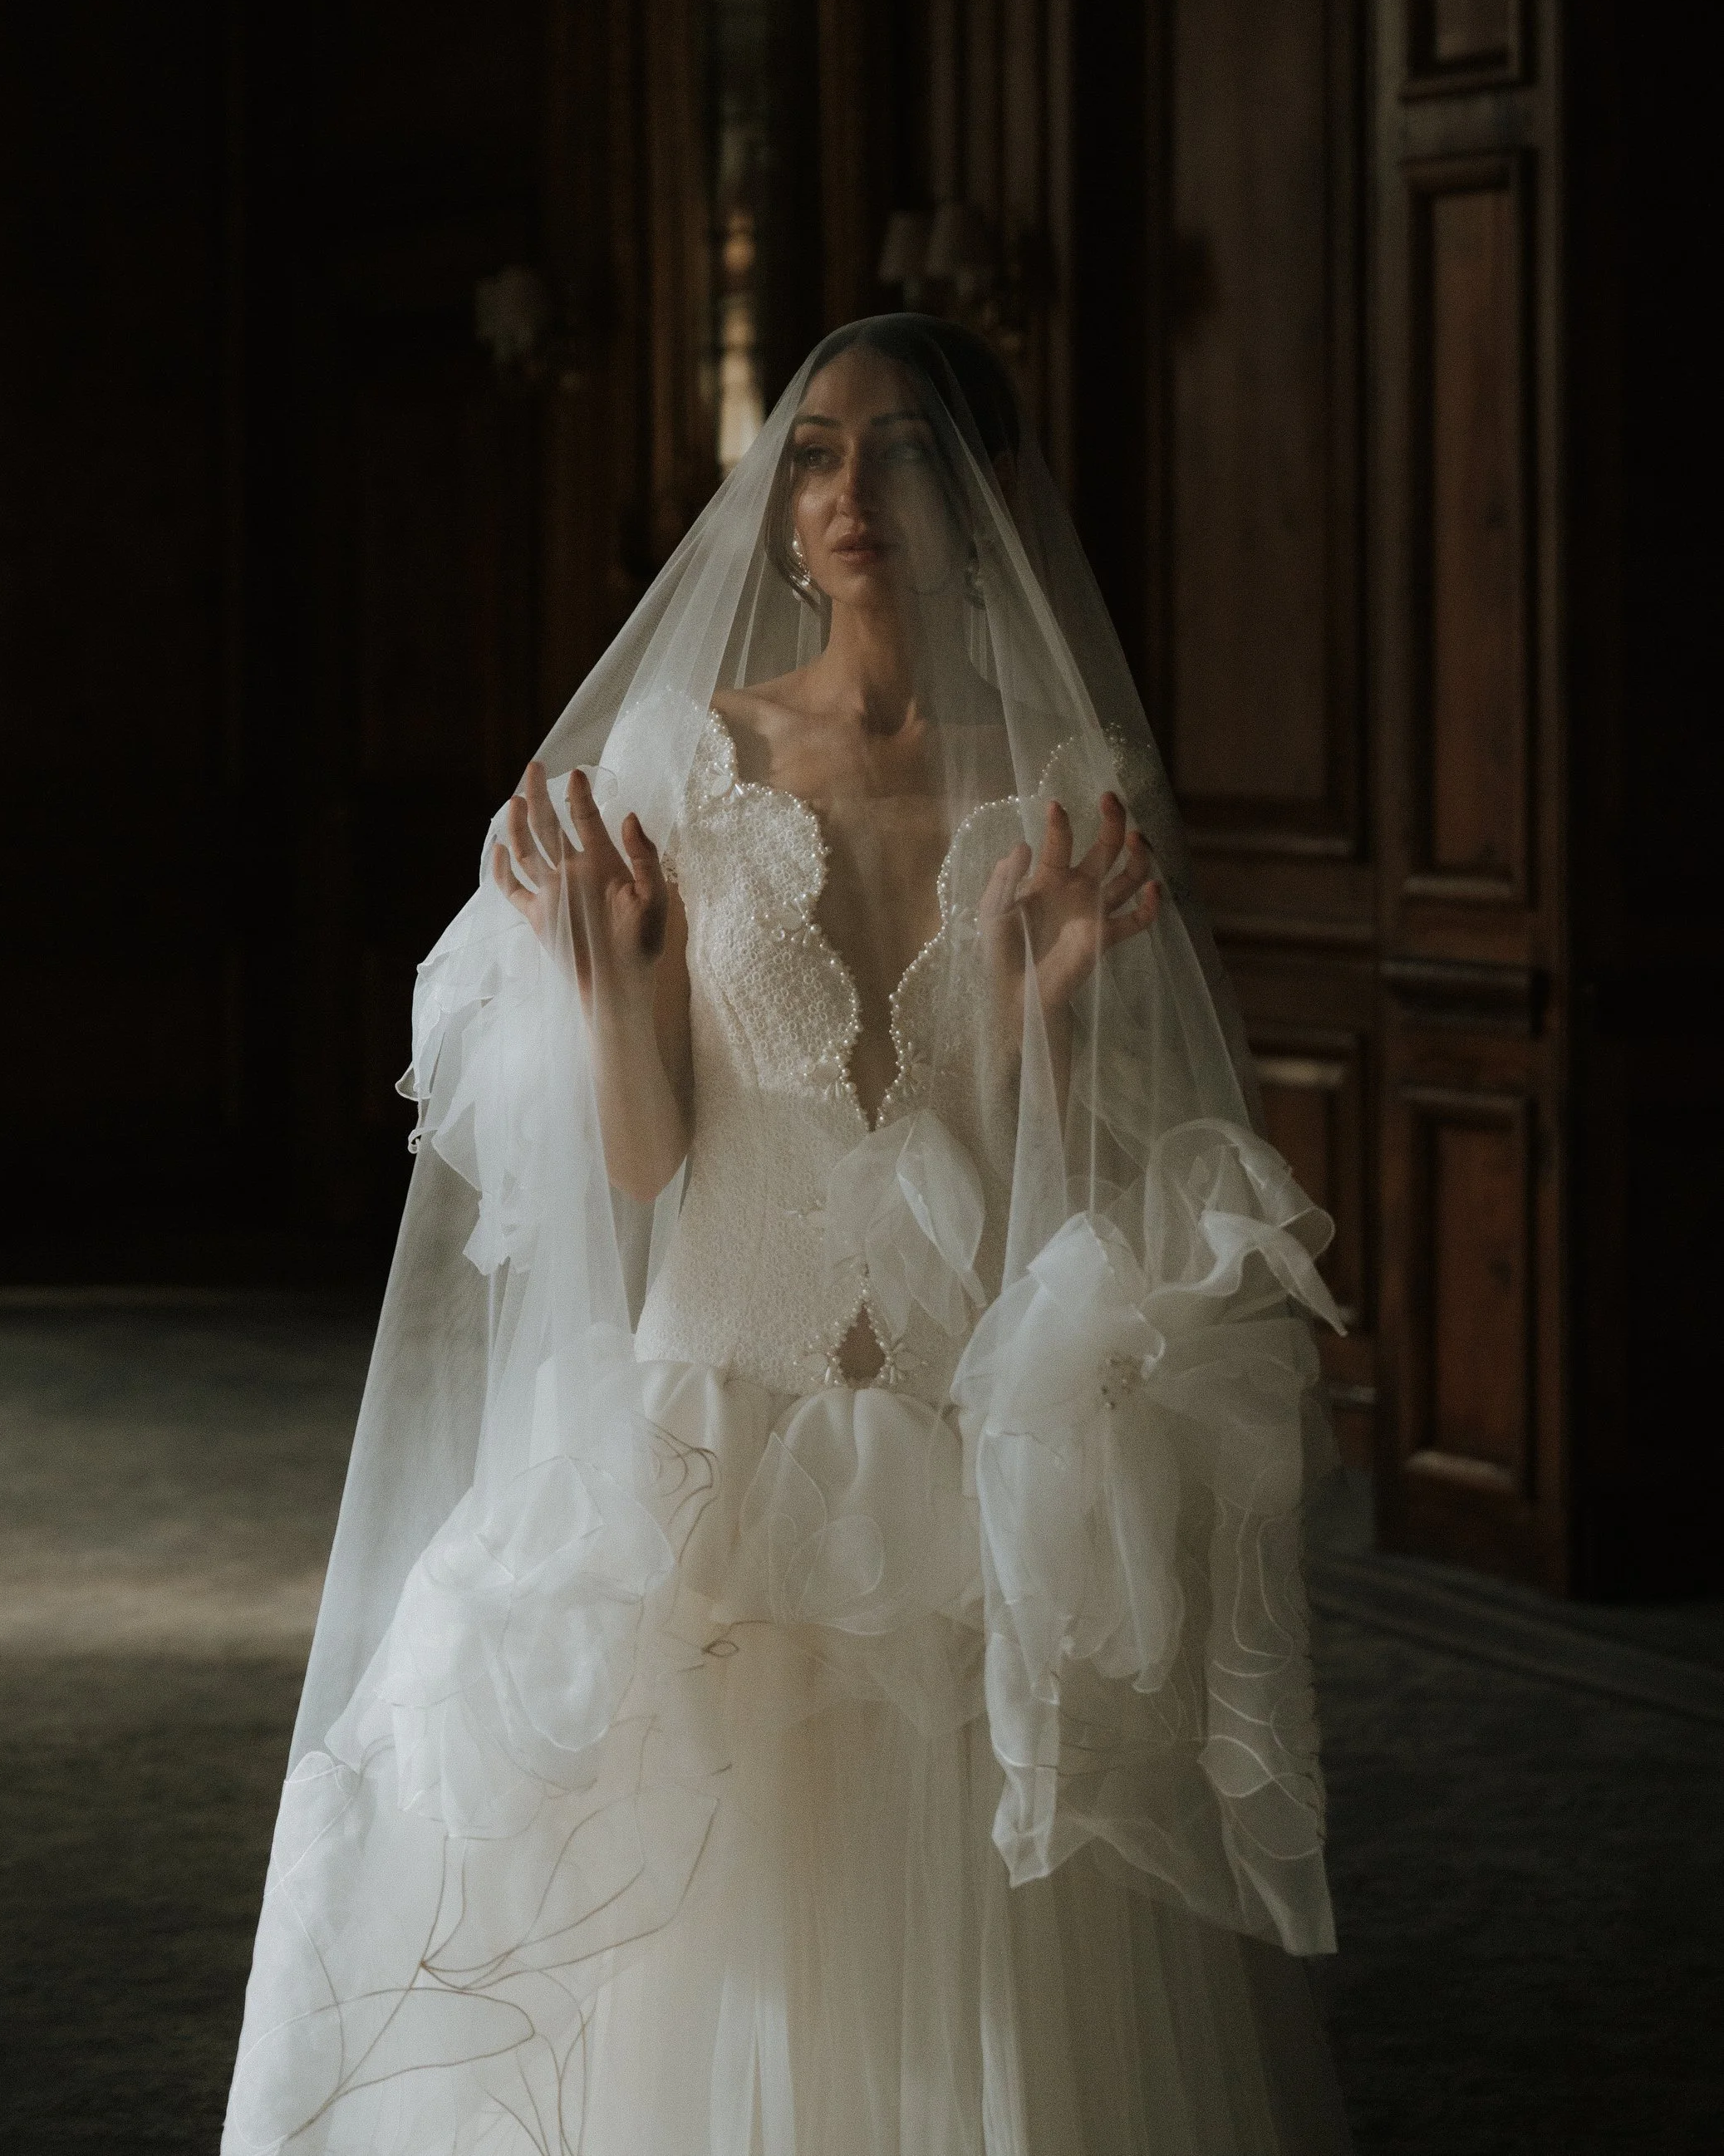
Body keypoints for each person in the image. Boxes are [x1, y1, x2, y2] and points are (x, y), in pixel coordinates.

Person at [224, 317, 1353, 2156]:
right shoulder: (691, 756)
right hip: (713, 1438)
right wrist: (610, 990)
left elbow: (1050, 1203)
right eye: (814, 452)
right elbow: (646, 1163)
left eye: (899, 450)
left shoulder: (1061, 783)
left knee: (969, 1978)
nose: (846, 492)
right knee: (706, 1959)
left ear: (985, 492)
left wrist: (1042, 1023)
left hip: (957, 1456)